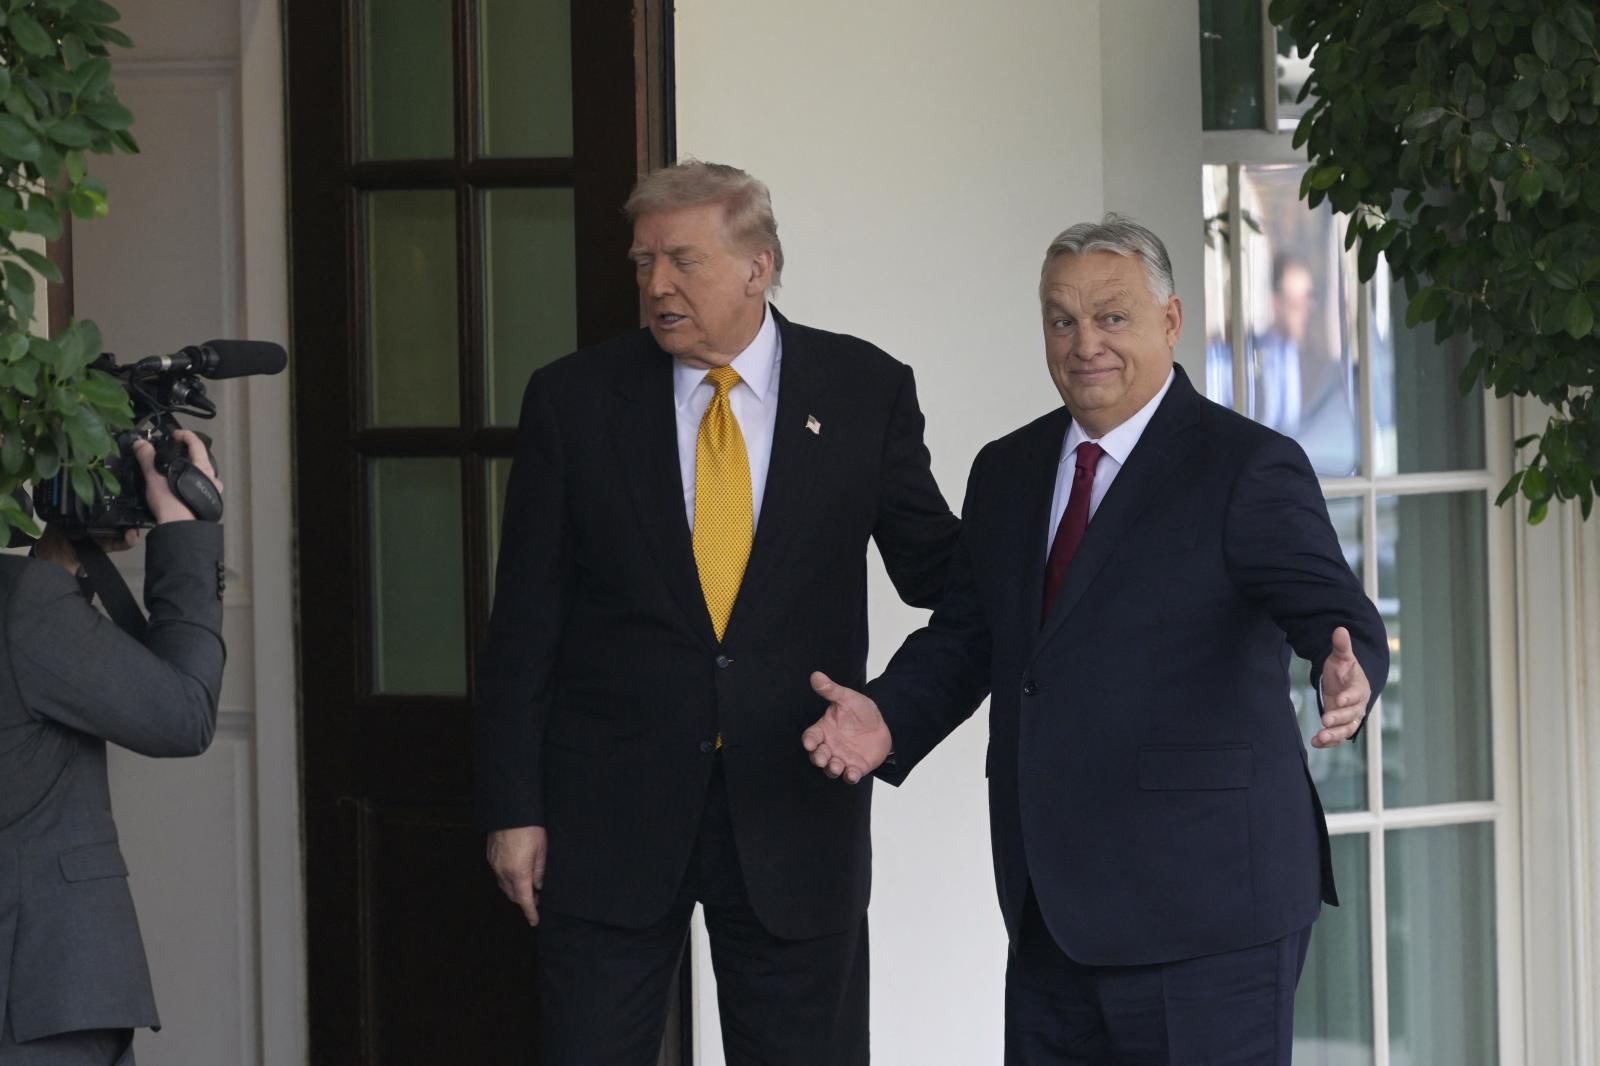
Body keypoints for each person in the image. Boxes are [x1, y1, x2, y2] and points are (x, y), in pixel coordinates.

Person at [804, 215, 1388, 1064]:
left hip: (1209, 916)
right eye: (1062, 320)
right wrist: (889, 716)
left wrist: (1349, 674)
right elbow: (971, 634)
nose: (1085, 344)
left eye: (1112, 317)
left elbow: (1335, 615)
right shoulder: (1008, 470)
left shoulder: (1245, 466)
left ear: (1171, 321)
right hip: (1051, 908)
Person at [474, 160, 959, 1065]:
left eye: (683, 261)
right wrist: (513, 806)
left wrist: (895, 712)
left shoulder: (863, 389)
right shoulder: (574, 399)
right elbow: (525, 623)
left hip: (793, 808)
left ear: (757, 266)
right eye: (643, 262)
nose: (657, 285)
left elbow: (947, 581)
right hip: (606, 819)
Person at [0, 431, 226, 1065]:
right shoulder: (22, 606)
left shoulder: (25, 603)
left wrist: (59, 564)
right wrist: (186, 533)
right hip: (37, 1004)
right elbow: (183, 716)